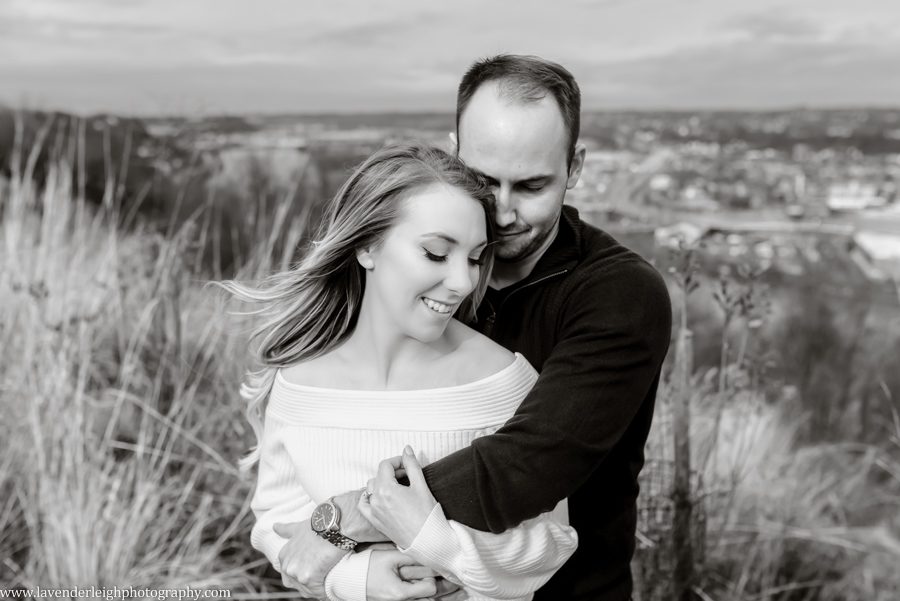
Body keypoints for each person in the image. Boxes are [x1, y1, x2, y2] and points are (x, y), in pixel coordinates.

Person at [281, 54, 673, 601]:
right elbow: (300, 478)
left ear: (575, 167)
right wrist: (352, 573)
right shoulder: (413, 272)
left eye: (532, 185)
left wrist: (349, 516)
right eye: (486, 181)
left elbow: (531, 462)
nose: (506, 213)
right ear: (455, 152)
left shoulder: (620, 294)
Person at [225, 143, 578, 601]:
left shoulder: (505, 384)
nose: (465, 282)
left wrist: (434, 542)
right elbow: (278, 522)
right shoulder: (298, 380)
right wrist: (358, 578)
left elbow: (551, 543)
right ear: (367, 246)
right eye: (436, 253)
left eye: (474, 258)